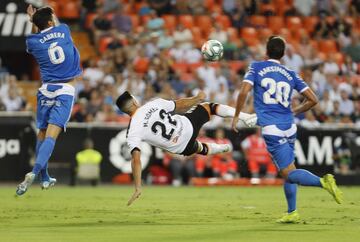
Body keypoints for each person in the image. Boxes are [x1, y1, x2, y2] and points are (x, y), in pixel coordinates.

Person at [232, 36, 343, 223]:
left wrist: (236, 116)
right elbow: (313, 99)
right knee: (289, 170)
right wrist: (295, 110)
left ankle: (323, 182)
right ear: (283, 54)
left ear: (266, 52)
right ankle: (292, 212)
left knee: (288, 173)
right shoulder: (290, 72)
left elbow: (243, 91)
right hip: (290, 126)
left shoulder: (256, 67)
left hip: (272, 128)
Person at [115, 91, 257, 205]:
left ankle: (221, 149)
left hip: (180, 147)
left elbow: (136, 160)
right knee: (210, 107)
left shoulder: (132, 131)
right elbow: (180, 105)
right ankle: (245, 117)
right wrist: (197, 98)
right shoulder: (153, 104)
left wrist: (138, 186)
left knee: (198, 148)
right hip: (186, 127)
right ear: (134, 101)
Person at [16, 5, 82, 195]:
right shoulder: (63, 30)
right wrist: (43, 15)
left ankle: (45, 176)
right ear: (51, 21)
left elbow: (37, 34)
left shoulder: (33, 41)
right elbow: (54, 23)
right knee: (51, 137)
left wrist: (32, 21)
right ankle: (35, 172)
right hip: (65, 90)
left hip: (45, 90)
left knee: (42, 134)